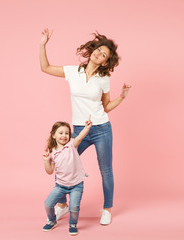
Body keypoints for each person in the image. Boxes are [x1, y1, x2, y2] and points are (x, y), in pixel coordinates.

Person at [40, 28, 131, 225]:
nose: (99, 53)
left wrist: (122, 96)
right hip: (79, 129)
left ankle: (107, 209)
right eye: (99, 50)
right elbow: (45, 67)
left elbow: (106, 106)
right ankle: (63, 206)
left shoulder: (104, 79)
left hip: (101, 129)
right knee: (62, 162)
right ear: (93, 51)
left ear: (105, 62)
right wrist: (42, 44)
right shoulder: (73, 71)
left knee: (106, 170)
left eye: (104, 55)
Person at [43, 118, 92, 235]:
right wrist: (46, 160)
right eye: (61, 133)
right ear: (54, 135)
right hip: (61, 185)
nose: (64, 136)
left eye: (66, 133)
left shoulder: (71, 145)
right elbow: (50, 171)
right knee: (48, 204)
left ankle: (73, 223)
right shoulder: (52, 151)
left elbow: (80, 137)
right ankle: (52, 221)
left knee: (74, 207)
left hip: (76, 185)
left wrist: (87, 128)